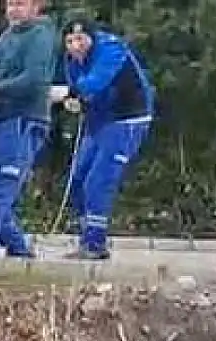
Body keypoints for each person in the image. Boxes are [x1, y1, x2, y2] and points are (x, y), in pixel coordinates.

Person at [0, 0, 59, 259]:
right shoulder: (8, 36)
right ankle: (18, 248)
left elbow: (35, 79)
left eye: (20, 3)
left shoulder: (40, 35)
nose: (13, 10)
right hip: (1, 120)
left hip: (25, 120)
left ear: (36, 6)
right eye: (9, 4)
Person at [58, 17, 155, 261]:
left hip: (127, 120)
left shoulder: (111, 48)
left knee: (99, 180)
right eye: (69, 41)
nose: (75, 46)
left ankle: (95, 244)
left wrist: (71, 93)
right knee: (77, 179)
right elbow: (79, 88)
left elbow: (96, 81)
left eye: (80, 39)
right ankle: (86, 236)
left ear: (92, 37)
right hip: (98, 122)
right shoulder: (71, 59)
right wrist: (76, 101)